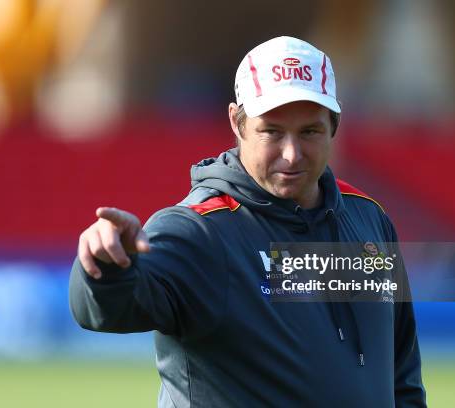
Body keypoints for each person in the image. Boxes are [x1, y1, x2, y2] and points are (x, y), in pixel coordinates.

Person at [69, 36, 426, 407]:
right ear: (237, 123)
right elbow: (108, 309)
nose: (291, 154)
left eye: (310, 131)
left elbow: (401, 378)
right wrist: (108, 267)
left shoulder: (367, 217)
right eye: (271, 131)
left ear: (334, 126)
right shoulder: (200, 232)